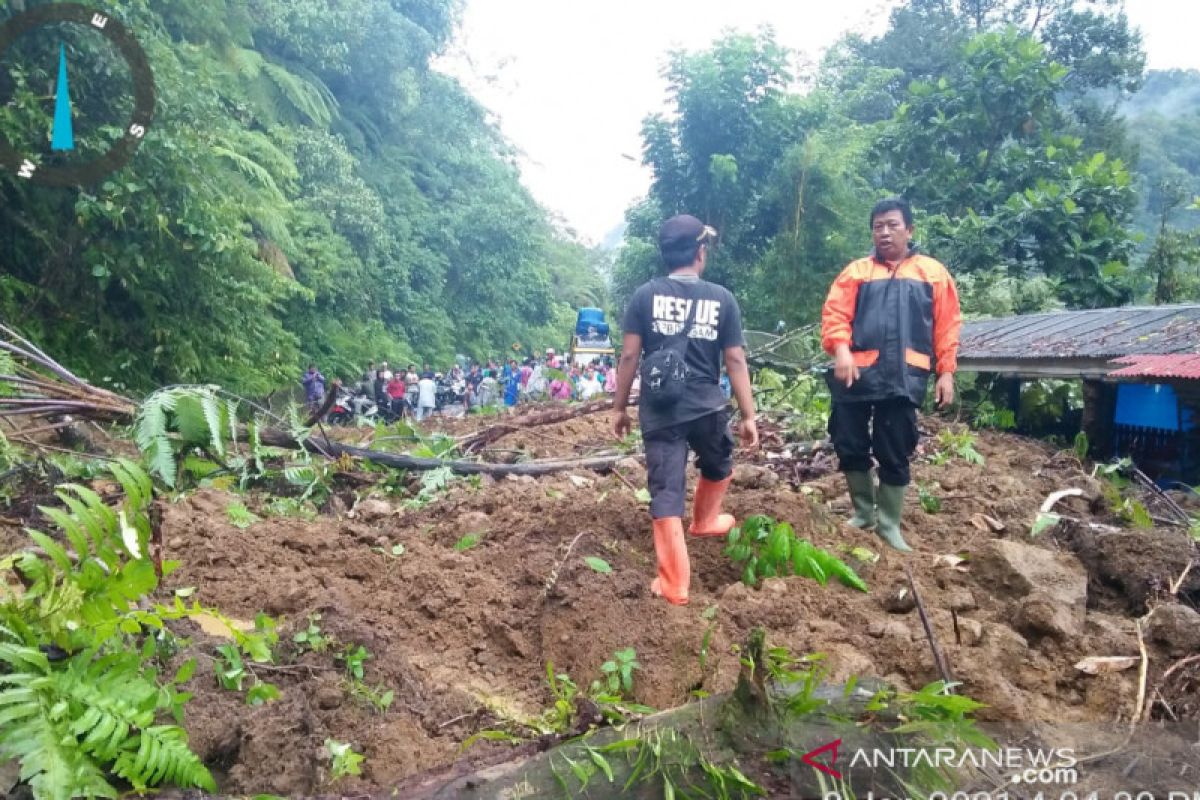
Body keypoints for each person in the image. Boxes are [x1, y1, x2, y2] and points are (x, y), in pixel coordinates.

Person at [613, 214, 758, 606]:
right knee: (718, 460)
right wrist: (748, 415)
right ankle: (706, 520)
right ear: (699, 252)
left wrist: (619, 408)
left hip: (660, 410)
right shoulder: (722, 298)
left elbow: (629, 356)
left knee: (666, 488)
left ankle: (674, 584)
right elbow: (735, 361)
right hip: (708, 406)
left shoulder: (644, 296)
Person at [821, 198, 962, 553]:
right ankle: (863, 514)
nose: (884, 232)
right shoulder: (856, 272)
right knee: (848, 441)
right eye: (878, 226)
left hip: (904, 375)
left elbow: (947, 327)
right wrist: (841, 351)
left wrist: (946, 372)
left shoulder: (932, 273)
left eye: (892, 225)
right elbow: (835, 314)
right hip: (855, 373)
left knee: (895, 446)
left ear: (909, 230)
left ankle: (889, 525)